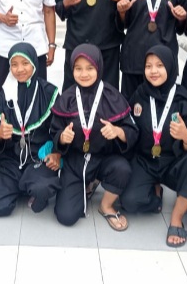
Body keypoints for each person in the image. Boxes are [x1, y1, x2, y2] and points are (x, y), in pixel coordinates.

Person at [120, 46, 187, 247]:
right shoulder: (139, 95)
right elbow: (130, 129)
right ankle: (155, 194)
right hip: (146, 161)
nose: (153, 71)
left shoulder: (183, 99)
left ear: (170, 66)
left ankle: (176, 218)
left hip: (174, 162)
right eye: (148, 66)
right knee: (129, 202)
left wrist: (186, 137)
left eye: (159, 65)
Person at [50, 44, 138, 229]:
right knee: (66, 216)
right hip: (75, 162)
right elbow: (54, 131)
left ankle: (106, 205)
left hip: (103, 159)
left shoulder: (112, 96)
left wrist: (118, 132)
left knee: (122, 169)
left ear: (99, 67)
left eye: (90, 68)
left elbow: (132, 130)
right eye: (78, 68)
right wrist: (62, 138)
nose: (84, 74)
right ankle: (85, 184)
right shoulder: (67, 98)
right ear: (72, 69)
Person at [0, 42, 61, 217]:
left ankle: (28, 185)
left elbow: (58, 129)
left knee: (42, 187)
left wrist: (57, 153)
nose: (20, 69)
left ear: (34, 63)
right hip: (11, 160)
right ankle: (23, 184)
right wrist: (0, 135)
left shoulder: (49, 92)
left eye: (25, 63)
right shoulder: (4, 94)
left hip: (39, 159)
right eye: (14, 64)